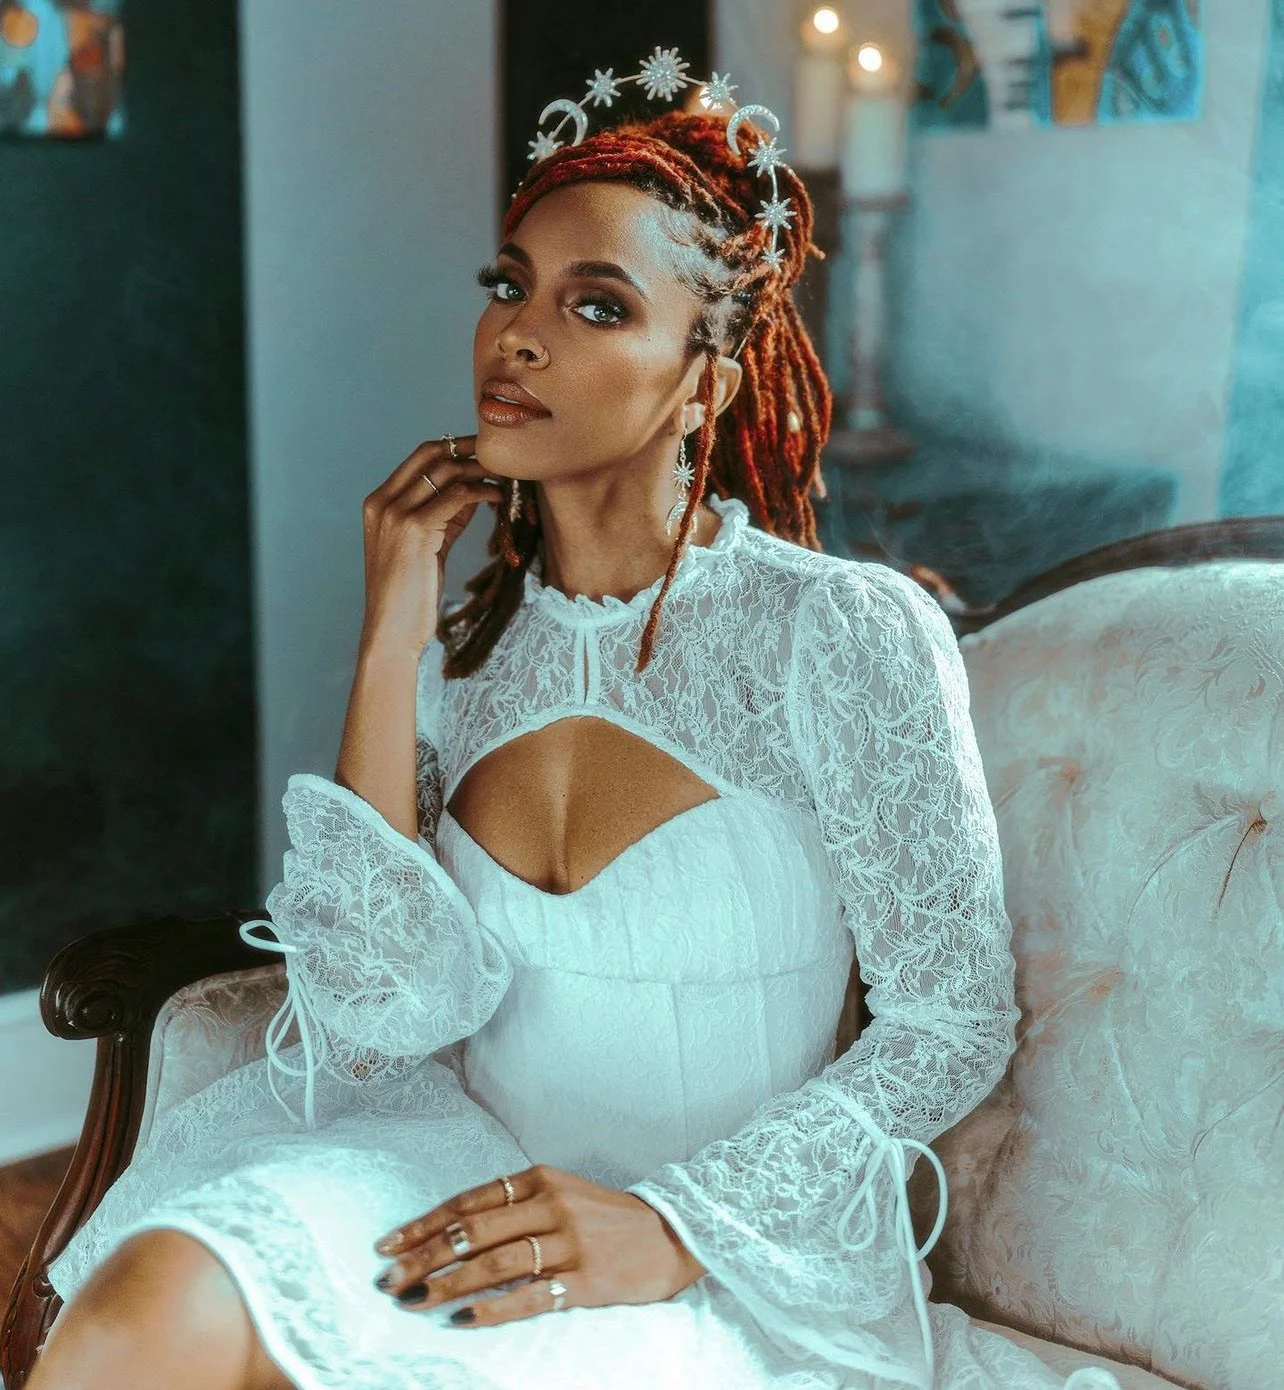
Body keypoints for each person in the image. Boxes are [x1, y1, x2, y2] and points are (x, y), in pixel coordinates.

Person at [34, 69, 1130, 1390]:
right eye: (509, 286)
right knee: (144, 1305)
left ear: (701, 386)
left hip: (727, 1258)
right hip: (453, 1165)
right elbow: (375, 1024)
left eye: (595, 304)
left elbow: (950, 1016)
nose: (519, 335)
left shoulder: (835, 631)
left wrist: (675, 1224)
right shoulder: (459, 651)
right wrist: (390, 628)